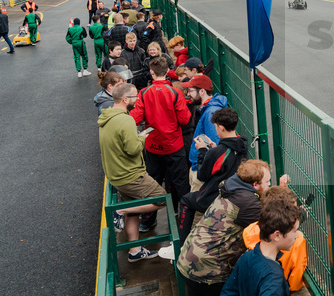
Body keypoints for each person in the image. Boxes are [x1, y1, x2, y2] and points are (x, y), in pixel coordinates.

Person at [175, 159, 272, 296]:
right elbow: (273, 226)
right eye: (267, 182)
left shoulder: (230, 189)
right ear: (255, 184)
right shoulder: (248, 203)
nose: (269, 184)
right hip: (210, 270)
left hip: (187, 261)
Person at [216, 186, 301, 296]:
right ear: (277, 235)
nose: (296, 236)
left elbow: (227, 295)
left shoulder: (247, 257)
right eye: (294, 231)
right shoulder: (273, 276)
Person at [98, 82, 166, 262]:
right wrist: (142, 138)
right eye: (136, 96)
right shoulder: (126, 120)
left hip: (116, 175)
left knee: (133, 212)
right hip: (130, 175)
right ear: (125, 99)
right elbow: (133, 149)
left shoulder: (107, 117)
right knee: (161, 198)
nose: (138, 99)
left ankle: (134, 250)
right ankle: (119, 212)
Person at [130, 56, 192, 214]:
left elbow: (135, 118)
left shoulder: (144, 93)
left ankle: (148, 220)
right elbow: (185, 120)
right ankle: (185, 218)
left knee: (153, 183)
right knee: (181, 182)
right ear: (167, 72)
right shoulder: (175, 93)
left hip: (153, 145)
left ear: (151, 72)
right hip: (173, 145)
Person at [176, 105, 244, 244]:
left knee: (186, 200)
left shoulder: (216, 153)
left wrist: (202, 152)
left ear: (221, 128)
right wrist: (214, 149)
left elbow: (202, 175)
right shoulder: (242, 145)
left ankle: (181, 243)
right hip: (235, 193)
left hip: (216, 196)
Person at [182, 75, 229, 191]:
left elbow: (213, 146)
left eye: (191, 91)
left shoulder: (210, 113)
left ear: (202, 91)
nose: (188, 94)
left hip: (201, 168)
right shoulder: (208, 109)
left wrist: (202, 167)